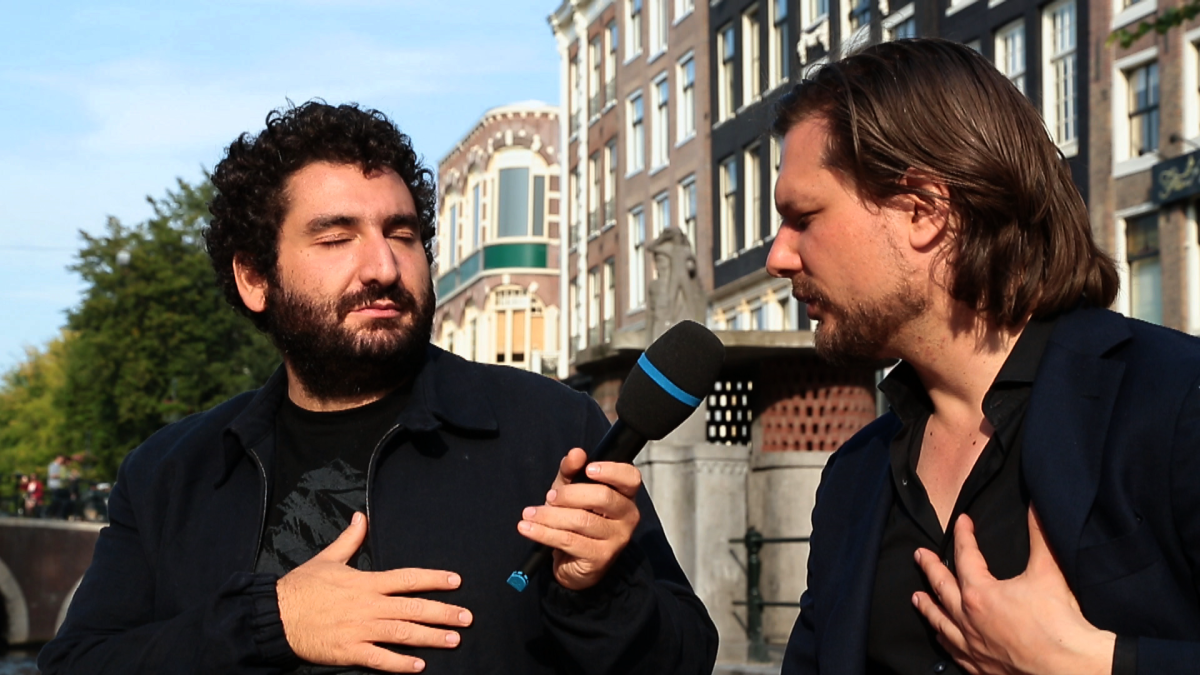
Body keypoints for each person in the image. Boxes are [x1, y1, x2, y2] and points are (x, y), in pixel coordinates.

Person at [39, 101, 717, 674]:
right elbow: (78, 663)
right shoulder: (170, 473)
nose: (384, 267)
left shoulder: (552, 431)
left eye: (403, 233)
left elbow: (686, 659)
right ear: (254, 278)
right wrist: (269, 620)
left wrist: (599, 591)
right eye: (336, 238)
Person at [767, 38, 1200, 675]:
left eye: (803, 217)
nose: (778, 257)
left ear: (923, 211)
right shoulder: (853, 476)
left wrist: (1091, 663)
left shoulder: (1175, 401)